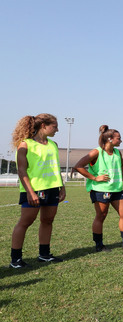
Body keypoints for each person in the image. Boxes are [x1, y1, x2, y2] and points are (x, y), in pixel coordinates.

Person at [9, 114, 66, 268]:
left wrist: (62, 187)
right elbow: (21, 171)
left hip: (52, 188)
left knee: (48, 221)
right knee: (25, 222)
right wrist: (30, 192)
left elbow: (56, 167)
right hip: (34, 189)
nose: (57, 129)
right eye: (54, 126)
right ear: (43, 126)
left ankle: (44, 254)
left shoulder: (53, 144)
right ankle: (16, 260)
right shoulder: (25, 145)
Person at [73, 125, 123, 252]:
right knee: (101, 215)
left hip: (117, 189)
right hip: (100, 189)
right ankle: (99, 245)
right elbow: (78, 166)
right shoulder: (97, 152)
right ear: (109, 139)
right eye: (118, 138)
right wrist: (95, 178)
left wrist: (119, 176)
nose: (121, 140)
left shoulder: (118, 152)